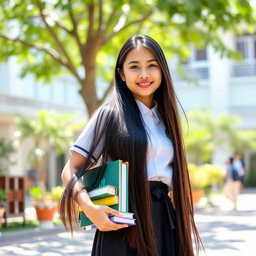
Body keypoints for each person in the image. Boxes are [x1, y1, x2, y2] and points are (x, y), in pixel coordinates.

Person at [60, 35, 202, 256]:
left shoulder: (167, 120)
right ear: (122, 74)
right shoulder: (109, 115)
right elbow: (70, 169)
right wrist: (90, 208)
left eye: (152, 66)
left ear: (163, 70)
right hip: (123, 224)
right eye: (134, 67)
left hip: (164, 220)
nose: (144, 74)